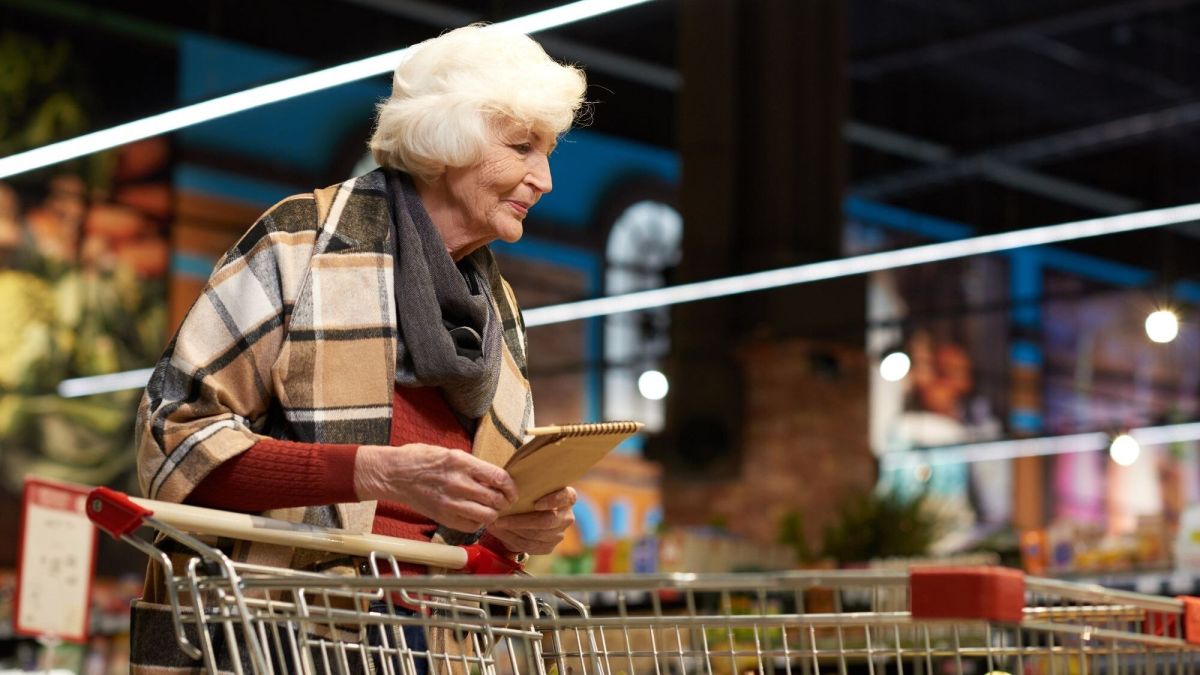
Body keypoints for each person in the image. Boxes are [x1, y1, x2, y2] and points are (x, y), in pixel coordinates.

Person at [131, 24, 587, 672]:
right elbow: (172, 438)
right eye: (522, 147)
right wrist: (374, 471)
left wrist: (508, 524)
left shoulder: (498, 309)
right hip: (269, 639)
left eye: (547, 153)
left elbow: (443, 519)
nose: (543, 179)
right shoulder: (302, 242)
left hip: (430, 645)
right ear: (444, 138)